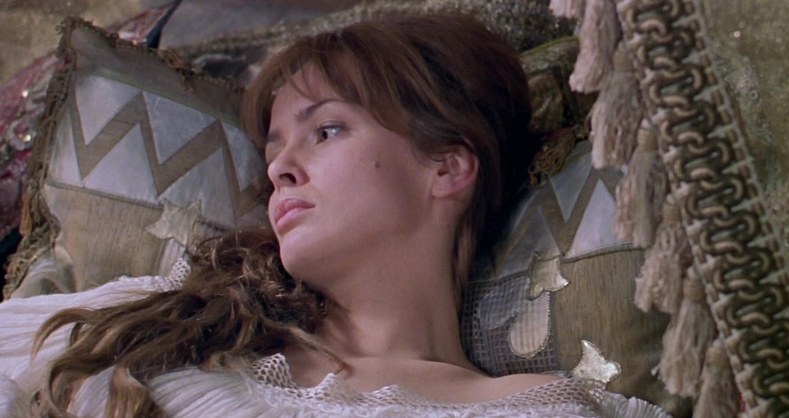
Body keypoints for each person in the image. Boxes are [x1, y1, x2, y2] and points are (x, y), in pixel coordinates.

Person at [0, 13, 670, 418]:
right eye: (275, 149)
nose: (280, 170)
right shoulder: (168, 321)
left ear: (445, 167)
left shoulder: (540, 408)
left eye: (325, 131)